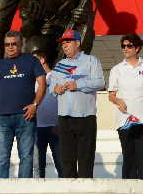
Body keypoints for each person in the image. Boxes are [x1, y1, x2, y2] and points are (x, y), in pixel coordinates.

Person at [0, 31, 45, 178]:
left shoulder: (31, 61)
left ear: (21, 44)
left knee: (26, 157)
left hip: (26, 117)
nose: (10, 47)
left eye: (13, 44)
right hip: (3, 119)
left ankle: (23, 190)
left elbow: (42, 84)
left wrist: (35, 105)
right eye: (7, 44)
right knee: (1, 159)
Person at [47, 30, 104, 178]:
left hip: (86, 117)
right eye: (63, 43)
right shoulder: (60, 64)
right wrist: (56, 88)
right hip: (65, 117)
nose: (64, 46)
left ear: (78, 43)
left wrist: (77, 84)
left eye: (68, 42)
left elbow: (100, 82)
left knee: (85, 160)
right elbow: (52, 87)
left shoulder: (92, 60)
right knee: (67, 160)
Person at [108, 33, 143, 180]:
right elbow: (111, 95)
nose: (125, 49)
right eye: (123, 46)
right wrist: (118, 101)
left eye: (129, 46)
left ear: (137, 48)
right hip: (125, 121)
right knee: (129, 158)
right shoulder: (116, 69)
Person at [31, 50, 62, 178]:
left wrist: (60, 123)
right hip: (37, 128)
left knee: (62, 165)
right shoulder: (31, 80)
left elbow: (65, 101)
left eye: (34, 60)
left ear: (42, 60)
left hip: (56, 128)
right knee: (38, 167)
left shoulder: (57, 76)